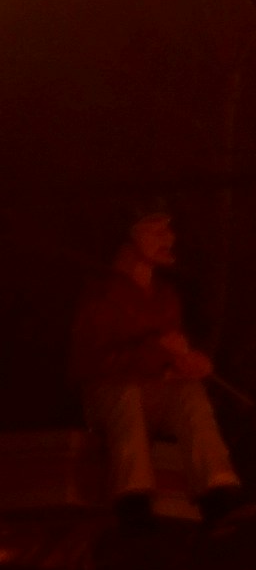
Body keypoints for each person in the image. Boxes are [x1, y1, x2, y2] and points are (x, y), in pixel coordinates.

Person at [73, 204, 239, 524]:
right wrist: (156, 351)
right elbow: (94, 365)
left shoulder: (165, 296)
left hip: (150, 392)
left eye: (169, 230)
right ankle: (132, 497)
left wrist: (187, 364)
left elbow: (168, 354)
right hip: (108, 398)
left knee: (189, 393)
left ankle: (218, 491)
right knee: (126, 393)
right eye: (156, 231)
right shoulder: (100, 296)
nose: (169, 239)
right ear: (127, 241)